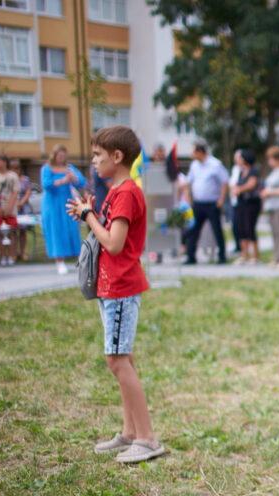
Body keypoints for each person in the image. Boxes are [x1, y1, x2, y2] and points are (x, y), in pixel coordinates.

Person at [65, 125, 164, 464]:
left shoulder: (125, 193)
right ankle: (130, 433)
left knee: (118, 361)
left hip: (121, 286)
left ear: (117, 157)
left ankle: (148, 439)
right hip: (113, 286)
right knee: (123, 359)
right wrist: (91, 212)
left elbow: (114, 242)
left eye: (97, 155)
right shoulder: (118, 191)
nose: (93, 161)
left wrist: (88, 215)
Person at [180, 143, 229, 265]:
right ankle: (191, 256)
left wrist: (221, 199)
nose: (192, 155)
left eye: (194, 152)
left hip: (212, 203)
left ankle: (222, 255)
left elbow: (224, 182)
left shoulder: (215, 164)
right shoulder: (195, 166)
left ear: (200, 152)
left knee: (216, 229)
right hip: (198, 203)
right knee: (193, 229)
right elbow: (189, 181)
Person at [41, 144, 86, 274]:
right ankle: (59, 261)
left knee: (72, 229)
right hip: (52, 204)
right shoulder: (47, 168)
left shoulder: (69, 168)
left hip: (66, 202)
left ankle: (79, 259)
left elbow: (81, 182)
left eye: (64, 156)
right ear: (54, 156)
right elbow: (46, 184)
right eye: (59, 156)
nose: (61, 158)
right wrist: (63, 180)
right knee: (56, 231)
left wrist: (73, 178)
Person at [230, 149, 262, 265]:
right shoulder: (241, 171)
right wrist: (234, 188)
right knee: (241, 228)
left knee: (250, 228)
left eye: (240, 158)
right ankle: (244, 256)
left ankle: (255, 256)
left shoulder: (254, 171)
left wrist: (239, 189)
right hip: (241, 203)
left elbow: (252, 184)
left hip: (251, 203)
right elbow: (236, 183)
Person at [0, 153, 20, 266]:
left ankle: (11, 255)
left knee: (11, 232)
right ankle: (2, 256)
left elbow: (15, 192)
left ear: (4, 162)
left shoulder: (12, 176)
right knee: (0, 233)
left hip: (10, 208)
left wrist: (9, 208)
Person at [10, 159, 34, 261]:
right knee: (13, 231)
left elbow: (28, 192)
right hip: (12, 206)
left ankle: (23, 252)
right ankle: (14, 253)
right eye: (13, 169)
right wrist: (14, 203)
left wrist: (21, 203)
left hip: (23, 207)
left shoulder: (25, 180)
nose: (15, 171)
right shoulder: (9, 180)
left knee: (23, 231)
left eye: (17, 169)